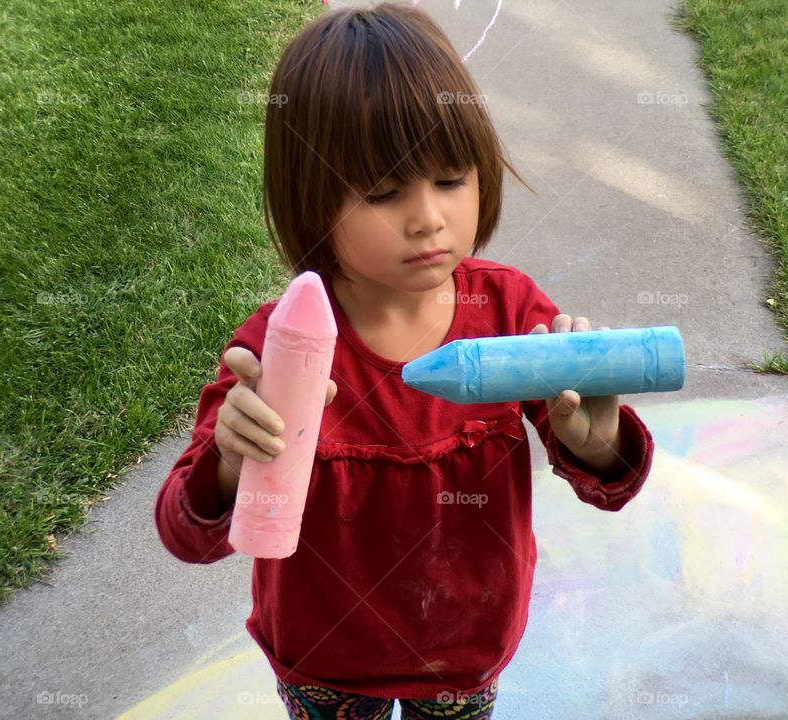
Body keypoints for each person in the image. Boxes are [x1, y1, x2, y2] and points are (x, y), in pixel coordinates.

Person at [154, 3, 655, 718]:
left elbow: (614, 486)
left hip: (464, 654)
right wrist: (233, 460)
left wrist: (598, 446)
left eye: (451, 180)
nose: (427, 217)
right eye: (385, 193)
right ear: (311, 198)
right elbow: (185, 534)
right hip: (324, 659)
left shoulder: (512, 315)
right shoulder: (285, 344)